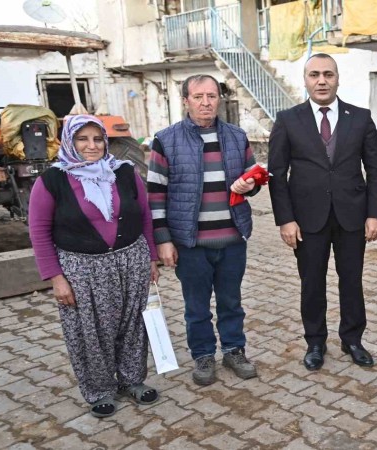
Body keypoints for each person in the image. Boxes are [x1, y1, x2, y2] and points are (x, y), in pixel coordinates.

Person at [29, 115, 160, 418]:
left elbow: (145, 216)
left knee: (132, 324)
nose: (92, 146)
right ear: (69, 142)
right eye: (83, 139)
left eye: (98, 139)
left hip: (131, 260)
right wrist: (56, 278)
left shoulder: (123, 172)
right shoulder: (52, 180)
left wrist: (151, 258)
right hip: (82, 269)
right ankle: (100, 390)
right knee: (91, 331)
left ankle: (131, 380)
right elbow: (38, 231)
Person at [268, 53, 377, 371]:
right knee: (312, 282)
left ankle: (352, 340)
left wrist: (375, 213)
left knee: (352, 281)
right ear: (305, 80)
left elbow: (376, 168)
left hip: (352, 216)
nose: (321, 81)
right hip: (307, 219)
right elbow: (277, 174)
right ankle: (315, 342)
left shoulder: (360, 118)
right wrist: (285, 219)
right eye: (314, 75)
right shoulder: (288, 119)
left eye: (328, 74)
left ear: (337, 79)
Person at [147, 74, 260, 386]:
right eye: (198, 97)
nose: (206, 102)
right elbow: (155, 194)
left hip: (233, 238)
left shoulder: (237, 137)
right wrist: (163, 240)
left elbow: (253, 179)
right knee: (196, 307)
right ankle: (203, 355)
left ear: (219, 99)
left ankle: (234, 350)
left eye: (211, 96)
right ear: (186, 101)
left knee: (231, 302)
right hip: (191, 243)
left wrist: (251, 185)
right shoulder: (166, 139)